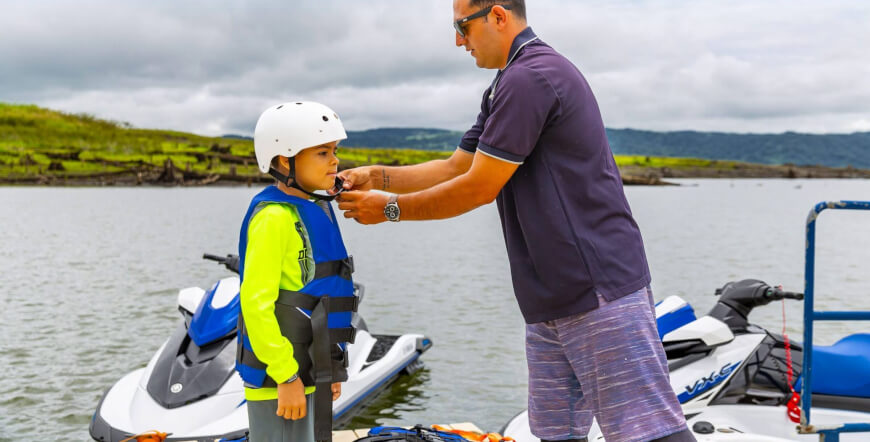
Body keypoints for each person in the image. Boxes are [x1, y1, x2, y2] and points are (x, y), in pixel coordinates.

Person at [335, 1, 695, 441]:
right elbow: (456, 168)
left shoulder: (532, 78)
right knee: (558, 434)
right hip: (549, 297)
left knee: (649, 432)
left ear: (498, 16)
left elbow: (477, 188)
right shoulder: (506, 83)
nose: (458, 41)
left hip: (595, 288)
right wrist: (377, 176)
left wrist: (390, 208)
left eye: (462, 27)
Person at [236, 101, 358, 442]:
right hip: (280, 379)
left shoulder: (314, 209)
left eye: (334, 151)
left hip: (313, 369)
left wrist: (331, 366)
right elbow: (255, 304)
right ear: (284, 160)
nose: (334, 161)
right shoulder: (273, 219)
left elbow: (323, 297)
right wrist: (285, 376)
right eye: (322, 152)